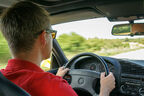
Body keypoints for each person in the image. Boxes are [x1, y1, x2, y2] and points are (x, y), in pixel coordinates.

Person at [0, 1, 115, 96]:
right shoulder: (56, 87)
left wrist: (55, 78)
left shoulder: (3, 80)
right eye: (52, 34)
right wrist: (105, 90)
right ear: (44, 37)